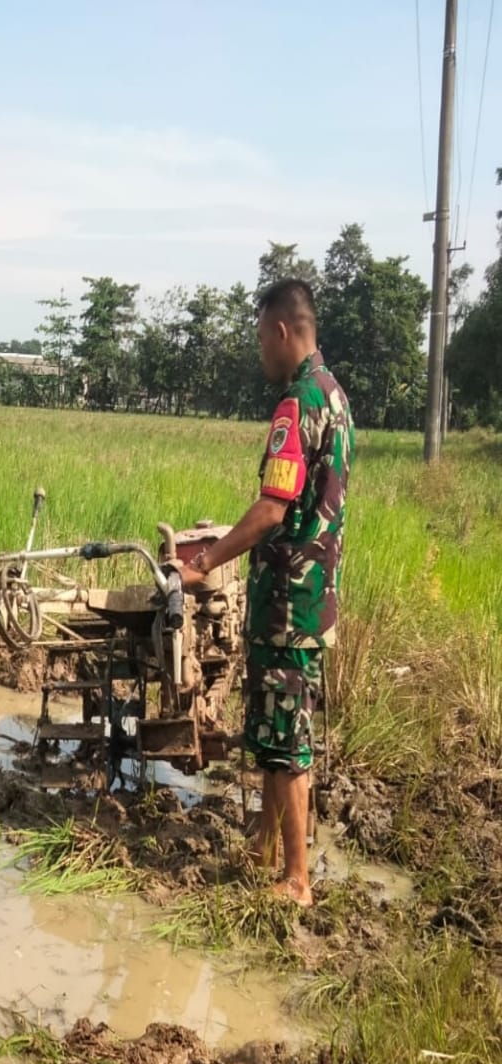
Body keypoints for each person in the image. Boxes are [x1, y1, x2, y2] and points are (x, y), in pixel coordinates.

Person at [178, 279, 355, 906]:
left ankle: (297, 880)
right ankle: (264, 848)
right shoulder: (334, 396)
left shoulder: (296, 405)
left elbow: (274, 508)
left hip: (287, 603)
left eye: (260, 339)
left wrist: (204, 562)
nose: (260, 352)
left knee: (286, 744)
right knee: (280, 731)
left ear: (282, 331)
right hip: (313, 600)